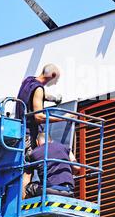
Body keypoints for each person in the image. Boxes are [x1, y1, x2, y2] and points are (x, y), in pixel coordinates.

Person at [16, 63, 74, 198]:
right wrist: (63, 118)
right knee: (28, 170)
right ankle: (23, 201)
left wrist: (52, 98)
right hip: (30, 134)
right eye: (57, 79)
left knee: (28, 167)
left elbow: (37, 95)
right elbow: (38, 116)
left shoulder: (28, 81)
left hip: (21, 130)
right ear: (52, 75)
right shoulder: (39, 89)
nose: (56, 82)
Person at [25, 132, 80, 198]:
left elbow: (28, 172)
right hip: (68, 189)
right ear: (51, 140)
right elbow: (77, 167)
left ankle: (24, 206)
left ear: (37, 142)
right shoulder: (65, 148)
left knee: (28, 188)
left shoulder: (34, 153)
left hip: (50, 189)